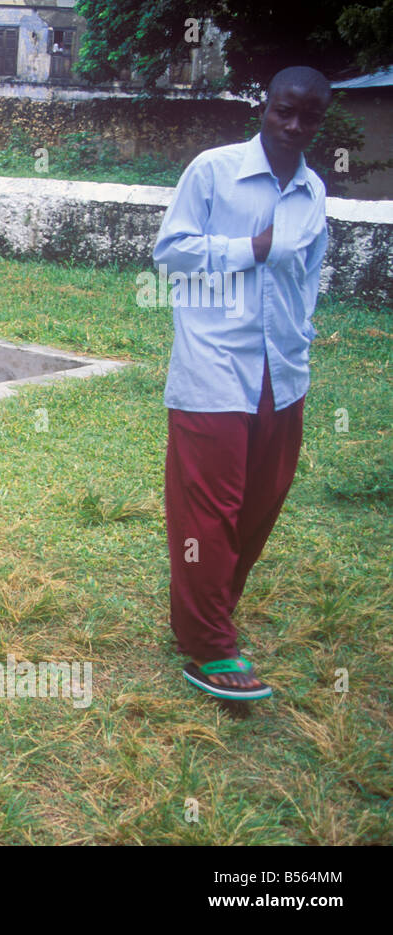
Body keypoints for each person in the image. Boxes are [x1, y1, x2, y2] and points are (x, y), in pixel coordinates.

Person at [153, 66, 331, 701]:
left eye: (309, 117)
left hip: (282, 371)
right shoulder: (213, 171)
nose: (294, 125)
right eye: (284, 111)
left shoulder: (313, 191)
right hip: (214, 365)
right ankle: (208, 646)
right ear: (265, 106)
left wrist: (300, 338)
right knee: (210, 509)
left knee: (260, 503)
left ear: (319, 121)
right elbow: (169, 252)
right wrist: (248, 248)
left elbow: (308, 275)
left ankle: (207, 611)